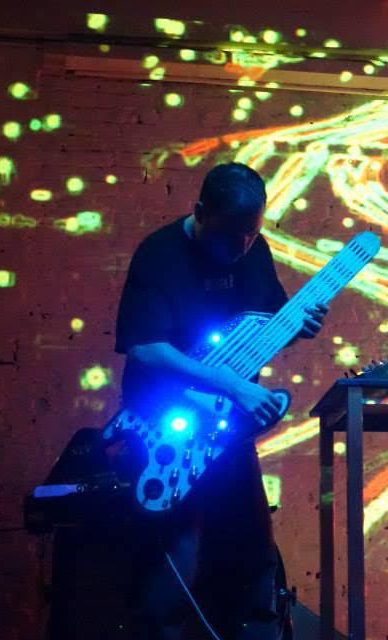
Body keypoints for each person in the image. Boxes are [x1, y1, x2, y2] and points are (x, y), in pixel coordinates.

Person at [114, 162, 326, 639]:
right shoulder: (160, 253)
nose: (242, 247)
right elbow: (146, 347)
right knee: (171, 569)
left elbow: (265, 331)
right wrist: (233, 386)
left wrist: (297, 328)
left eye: (251, 235)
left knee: (253, 555)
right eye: (232, 236)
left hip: (227, 432)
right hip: (164, 432)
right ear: (200, 213)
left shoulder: (254, 251)